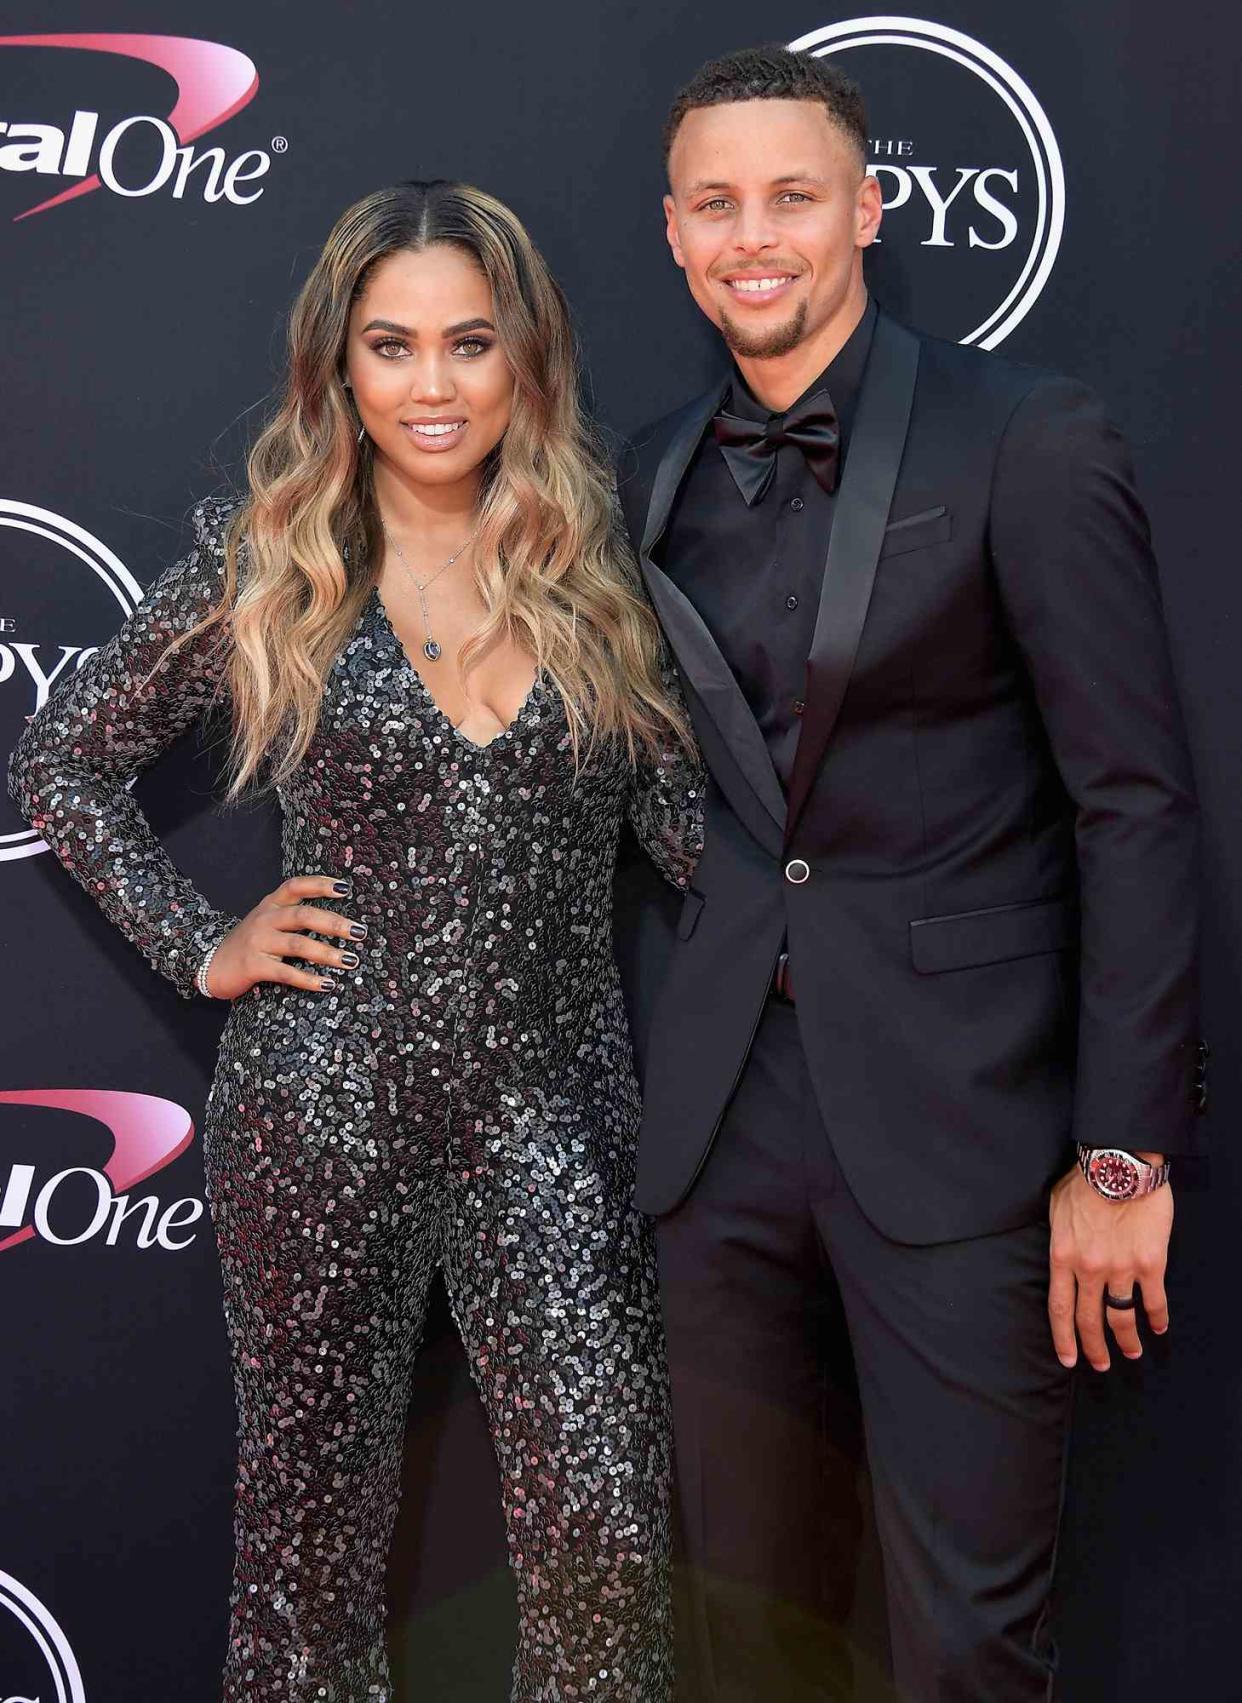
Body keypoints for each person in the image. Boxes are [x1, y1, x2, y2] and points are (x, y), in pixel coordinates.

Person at [9, 179, 702, 1702]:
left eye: (471, 344)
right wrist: (201, 943)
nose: (433, 387)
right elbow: (58, 762)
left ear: (527, 359)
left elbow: (700, 854)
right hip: (317, 1112)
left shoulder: (612, 582)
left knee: (604, 1544)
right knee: (306, 1555)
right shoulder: (275, 564)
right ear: (338, 368)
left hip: (555, 1121)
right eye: (392, 348)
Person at [615, 45, 1204, 1703]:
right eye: (716, 203)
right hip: (715, 1134)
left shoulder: (1025, 436)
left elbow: (1133, 806)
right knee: (747, 1633)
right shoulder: (635, 476)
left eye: (791, 196)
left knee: (965, 1641)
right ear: (670, 233)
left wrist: (1118, 1155)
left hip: (966, 1128)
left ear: (866, 209)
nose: (755, 235)